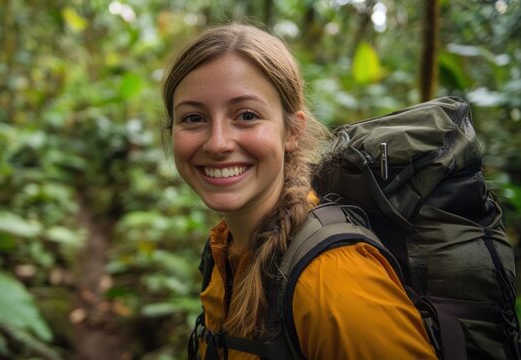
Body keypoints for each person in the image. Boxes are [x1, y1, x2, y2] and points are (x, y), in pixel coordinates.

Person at [161, 23, 438, 359]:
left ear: (292, 131)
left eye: (246, 115)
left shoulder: (335, 280)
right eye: (193, 117)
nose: (218, 143)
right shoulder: (228, 249)